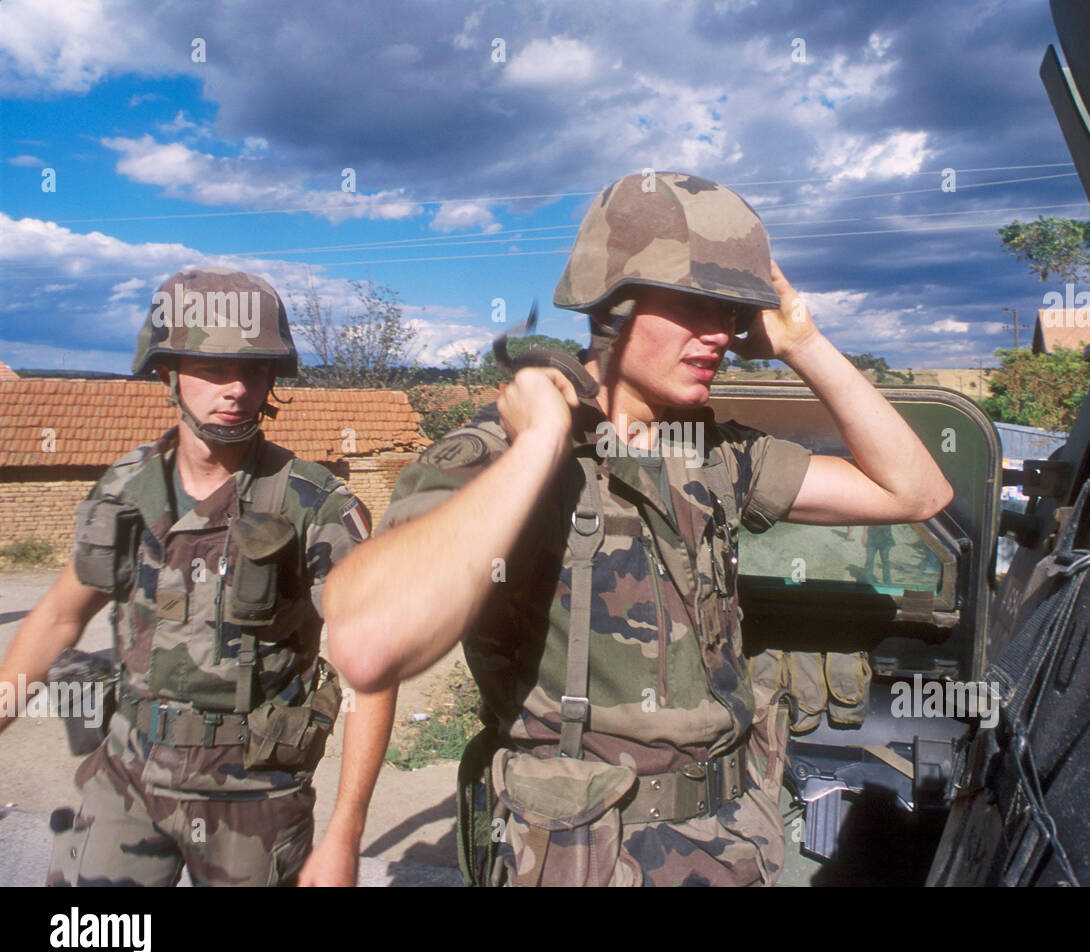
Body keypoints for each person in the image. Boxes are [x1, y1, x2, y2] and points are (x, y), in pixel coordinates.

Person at [324, 172, 953, 885]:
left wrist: (803, 341)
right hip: (584, 857)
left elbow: (917, 490)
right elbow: (368, 639)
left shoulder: (714, 454)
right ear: (613, 306)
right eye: (693, 304)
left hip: (732, 840)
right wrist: (539, 445)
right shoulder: (506, 451)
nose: (719, 332)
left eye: (731, 309)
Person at [0, 267, 395, 886]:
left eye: (256, 369)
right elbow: (58, 615)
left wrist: (345, 833)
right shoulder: (128, 489)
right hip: (126, 776)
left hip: (254, 793)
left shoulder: (315, 505)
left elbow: (373, 672)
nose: (235, 388)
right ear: (167, 372)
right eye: (212, 369)